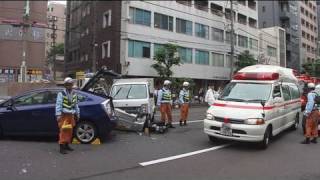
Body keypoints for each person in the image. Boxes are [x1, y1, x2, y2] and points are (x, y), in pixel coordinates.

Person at [56, 77, 80, 154]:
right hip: (64, 115)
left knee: (70, 131)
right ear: (65, 85)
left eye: (70, 85)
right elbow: (58, 104)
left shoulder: (74, 93)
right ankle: (61, 147)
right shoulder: (61, 94)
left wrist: (78, 113)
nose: (69, 86)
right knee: (63, 131)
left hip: (71, 114)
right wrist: (58, 115)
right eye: (67, 85)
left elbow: (76, 104)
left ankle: (66, 145)